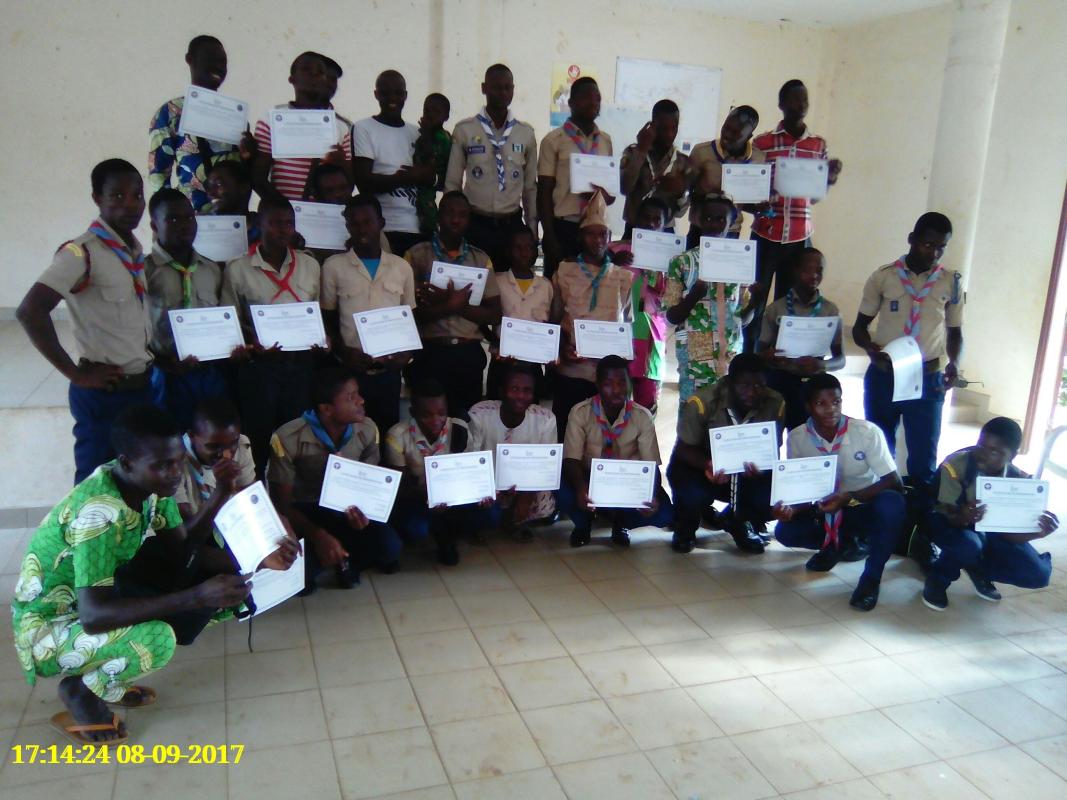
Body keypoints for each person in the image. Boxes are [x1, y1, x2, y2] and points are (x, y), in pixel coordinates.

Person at [11, 405, 297, 743]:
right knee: (158, 639)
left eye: (177, 461)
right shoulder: (99, 515)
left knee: (221, 597)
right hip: (48, 629)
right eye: (162, 465)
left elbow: (183, 550)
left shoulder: (147, 488)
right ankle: (81, 691)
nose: (174, 473)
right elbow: (93, 616)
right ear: (127, 462)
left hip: (94, 596)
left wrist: (257, 556)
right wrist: (196, 596)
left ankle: (106, 678)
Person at [17, 159, 161, 482]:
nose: (131, 205)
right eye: (117, 196)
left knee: (136, 479)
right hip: (104, 393)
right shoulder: (81, 253)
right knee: (96, 483)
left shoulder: (133, 253)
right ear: (97, 198)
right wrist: (75, 374)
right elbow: (29, 311)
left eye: (137, 195)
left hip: (141, 386)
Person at [773, 373, 906, 612]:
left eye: (836, 402)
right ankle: (838, 546)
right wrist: (790, 508)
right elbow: (799, 486)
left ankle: (871, 579)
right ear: (808, 407)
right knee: (786, 532)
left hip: (860, 505)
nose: (830, 409)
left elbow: (894, 481)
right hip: (824, 509)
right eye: (820, 403)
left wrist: (850, 497)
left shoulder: (866, 433)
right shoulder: (798, 438)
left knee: (892, 504)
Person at [852, 212, 961, 489]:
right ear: (912, 240)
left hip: (928, 377)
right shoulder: (883, 277)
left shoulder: (951, 282)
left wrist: (955, 363)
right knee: (880, 449)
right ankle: (882, 514)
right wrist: (869, 349)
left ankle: (918, 521)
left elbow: (956, 331)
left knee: (923, 457)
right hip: (886, 373)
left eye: (941, 247)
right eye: (927, 244)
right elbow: (859, 327)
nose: (934, 252)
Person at [269, 369, 400, 591]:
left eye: (358, 393)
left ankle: (346, 559)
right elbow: (282, 505)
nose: (361, 400)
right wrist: (318, 535)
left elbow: (369, 486)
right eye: (350, 397)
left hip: (348, 509)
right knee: (301, 577)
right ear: (326, 409)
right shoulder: (287, 437)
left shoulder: (367, 429)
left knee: (390, 548)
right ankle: (324, 554)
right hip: (307, 512)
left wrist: (364, 512)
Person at [220, 195, 321, 474]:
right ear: (258, 224)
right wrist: (250, 343)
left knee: (296, 437)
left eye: (289, 223)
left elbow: (318, 314)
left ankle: (291, 501)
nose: (283, 230)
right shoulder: (237, 268)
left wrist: (322, 340)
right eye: (275, 223)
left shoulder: (310, 266)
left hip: (299, 365)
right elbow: (231, 321)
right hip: (259, 368)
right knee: (259, 438)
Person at [922, 417, 1056, 611]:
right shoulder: (956, 465)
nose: (983, 454)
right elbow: (947, 515)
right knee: (969, 544)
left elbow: (1010, 535)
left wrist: (1037, 532)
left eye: (994, 451)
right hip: (949, 523)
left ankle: (978, 569)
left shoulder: (1019, 482)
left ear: (1012, 456)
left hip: (989, 532)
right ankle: (938, 580)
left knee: (1039, 574)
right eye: (981, 445)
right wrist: (964, 516)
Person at [749, 80, 843, 350]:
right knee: (754, 299)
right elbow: (754, 186)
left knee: (788, 304)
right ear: (780, 104)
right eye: (793, 100)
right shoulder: (763, 142)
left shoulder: (817, 145)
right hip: (765, 233)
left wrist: (830, 179)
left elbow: (814, 196)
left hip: (799, 236)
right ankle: (750, 359)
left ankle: (781, 359)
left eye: (804, 100)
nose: (799, 105)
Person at [667, 354, 784, 554]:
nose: (752, 392)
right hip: (703, 466)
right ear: (730, 383)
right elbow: (683, 449)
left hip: (746, 470)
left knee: (775, 493)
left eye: (759, 386)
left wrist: (760, 469)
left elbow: (772, 448)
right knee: (688, 488)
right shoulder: (703, 402)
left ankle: (737, 521)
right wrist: (708, 464)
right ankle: (685, 526)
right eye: (745, 385)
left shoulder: (776, 403)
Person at [321, 194, 417, 438]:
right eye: (355, 223)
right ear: (347, 227)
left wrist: (405, 356)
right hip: (351, 372)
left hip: (389, 372)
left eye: (368, 222)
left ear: (381, 223)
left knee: (387, 435)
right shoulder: (333, 267)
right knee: (352, 438)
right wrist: (343, 352)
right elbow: (328, 319)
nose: (362, 229)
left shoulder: (401, 268)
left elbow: (410, 319)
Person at [560, 356, 674, 548]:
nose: (616, 390)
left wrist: (651, 494)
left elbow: (651, 464)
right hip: (589, 479)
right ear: (597, 385)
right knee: (561, 491)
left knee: (663, 514)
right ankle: (584, 523)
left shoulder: (642, 416)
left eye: (622, 382)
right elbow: (571, 459)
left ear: (630, 383)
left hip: (626, 482)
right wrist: (581, 488)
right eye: (608, 384)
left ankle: (621, 522)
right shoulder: (580, 412)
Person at [406, 191, 501, 419]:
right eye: (449, 213)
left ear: (469, 220)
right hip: (430, 353)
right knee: (429, 422)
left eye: (462, 215)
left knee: (464, 423)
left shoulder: (480, 259)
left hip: (467, 355)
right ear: (438, 217)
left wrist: (458, 306)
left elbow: (495, 314)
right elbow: (408, 316)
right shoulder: (416, 256)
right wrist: (450, 306)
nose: (455, 220)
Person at [663, 196, 762, 404]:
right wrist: (694, 296)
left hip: (730, 356)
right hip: (694, 358)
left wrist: (755, 300)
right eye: (708, 218)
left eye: (720, 219)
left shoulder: (741, 263)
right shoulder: (682, 262)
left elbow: (742, 319)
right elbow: (670, 317)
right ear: (699, 221)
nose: (714, 224)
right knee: (692, 416)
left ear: (731, 223)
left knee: (725, 416)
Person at [550, 191, 633, 438]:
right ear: (580, 236)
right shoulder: (565, 271)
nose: (597, 240)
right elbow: (554, 320)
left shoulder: (623, 278)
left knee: (601, 436)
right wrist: (563, 347)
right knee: (567, 430)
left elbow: (627, 327)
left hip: (608, 378)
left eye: (603, 234)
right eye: (590, 233)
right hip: (572, 370)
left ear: (609, 238)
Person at [144, 189, 228, 429]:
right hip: (164, 372)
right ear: (154, 225)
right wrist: (160, 362)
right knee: (168, 435)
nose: (184, 225)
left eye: (189, 218)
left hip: (209, 372)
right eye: (172, 219)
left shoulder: (211, 269)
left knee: (210, 435)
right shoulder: (144, 271)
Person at [384, 379, 490, 566]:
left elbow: (468, 472)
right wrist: (427, 497)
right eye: (427, 415)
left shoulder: (459, 430)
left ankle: (448, 540)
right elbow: (399, 487)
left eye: (442, 413)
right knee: (415, 528)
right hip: (418, 497)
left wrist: (479, 492)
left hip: (453, 497)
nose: (436, 421)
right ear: (412, 413)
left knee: (490, 513)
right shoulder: (397, 435)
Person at [445, 64, 538, 269]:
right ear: (484, 88)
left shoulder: (525, 133)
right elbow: (452, 184)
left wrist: (532, 230)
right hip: (476, 224)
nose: (503, 93)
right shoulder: (465, 130)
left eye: (508, 87)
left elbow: (530, 187)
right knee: (474, 289)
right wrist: (453, 227)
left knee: (508, 290)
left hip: (511, 225)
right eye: (496, 87)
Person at [148, 35, 250, 211]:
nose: (218, 66)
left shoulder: (235, 115)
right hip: (189, 222)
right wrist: (168, 218)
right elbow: (158, 176)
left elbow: (243, 176)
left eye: (223, 61)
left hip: (233, 218)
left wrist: (249, 155)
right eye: (210, 58)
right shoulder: (171, 112)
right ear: (190, 60)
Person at [468, 362, 559, 541]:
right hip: (488, 485)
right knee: (487, 512)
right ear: (502, 391)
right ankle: (504, 520)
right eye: (514, 389)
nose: (521, 396)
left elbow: (545, 467)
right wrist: (491, 489)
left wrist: (525, 496)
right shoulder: (479, 414)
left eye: (527, 390)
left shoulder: (545, 419)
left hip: (524, 485)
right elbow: (471, 462)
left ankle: (513, 518)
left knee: (545, 506)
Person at [757, 247, 844, 430]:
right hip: (781, 381)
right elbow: (760, 352)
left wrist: (822, 365)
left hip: (813, 385)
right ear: (795, 271)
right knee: (774, 434)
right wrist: (769, 356)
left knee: (806, 438)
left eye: (818, 270)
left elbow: (840, 359)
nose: (813, 275)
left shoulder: (830, 311)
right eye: (807, 270)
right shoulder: (776, 309)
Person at [353, 70, 436, 256]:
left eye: (398, 93)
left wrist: (420, 174)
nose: (392, 98)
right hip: (383, 229)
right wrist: (408, 177)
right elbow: (364, 181)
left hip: (419, 228)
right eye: (385, 93)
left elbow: (433, 178)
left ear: (405, 95)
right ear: (376, 94)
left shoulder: (417, 132)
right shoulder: (364, 128)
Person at [538, 76, 614, 278]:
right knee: (558, 289)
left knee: (591, 290)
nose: (593, 103)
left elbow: (611, 194)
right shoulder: (554, 140)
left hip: (595, 229)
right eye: (586, 97)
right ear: (571, 103)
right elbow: (544, 192)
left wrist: (606, 195)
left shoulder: (606, 141)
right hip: (565, 227)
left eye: (597, 98)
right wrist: (549, 236)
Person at [253, 52, 352, 202]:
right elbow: (257, 177)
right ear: (292, 79)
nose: (314, 74)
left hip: (327, 217)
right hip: (283, 220)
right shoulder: (271, 120)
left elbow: (350, 183)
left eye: (320, 72)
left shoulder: (341, 126)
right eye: (306, 69)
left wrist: (342, 163)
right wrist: (283, 210)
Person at [608, 197, 671, 414]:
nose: (651, 224)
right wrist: (611, 264)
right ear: (636, 220)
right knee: (615, 404)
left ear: (664, 224)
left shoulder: (672, 258)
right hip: (620, 335)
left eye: (657, 220)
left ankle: (642, 447)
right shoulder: (614, 250)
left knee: (646, 407)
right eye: (646, 218)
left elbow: (672, 297)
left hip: (652, 339)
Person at [486, 227, 554, 399]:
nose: (524, 252)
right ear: (508, 251)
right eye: (518, 247)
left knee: (531, 415)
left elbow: (551, 323)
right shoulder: (497, 281)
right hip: (502, 363)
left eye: (529, 247)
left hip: (533, 365)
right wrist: (495, 342)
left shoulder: (546, 286)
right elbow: (482, 317)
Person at [686, 105, 764, 247]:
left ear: (749, 136)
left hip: (731, 231)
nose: (727, 135)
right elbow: (688, 190)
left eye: (736, 132)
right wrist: (710, 199)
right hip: (700, 228)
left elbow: (747, 203)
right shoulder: (701, 152)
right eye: (726, 128)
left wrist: (760, 207)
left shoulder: (758, 160)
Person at [174, 396, 256, 530]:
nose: (226, 454)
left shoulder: (241, 444)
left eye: (232, 443)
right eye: (213, 446)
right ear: (192, 436)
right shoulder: (175, 464)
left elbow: (252, 499)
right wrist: (221, 492)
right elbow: (186, 534)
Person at [618, 99, 689, 237]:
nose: (669, 134)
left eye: (674, 128)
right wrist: (642, 150)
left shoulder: (682, 162)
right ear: (652, 125)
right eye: (664, 128)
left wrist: (680, 191)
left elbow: (680, 213)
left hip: (665, 229)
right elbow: (624, 188)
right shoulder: (633, 153)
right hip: (634, 228)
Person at [413, 92, 452, 236]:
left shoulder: (443, 137)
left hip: (433, 182)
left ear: (446, 116)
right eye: (426, 111)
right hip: (419, 182)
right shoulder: (423, 135)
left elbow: (432, 156)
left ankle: (430, 231)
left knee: (427, 208)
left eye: (436, 112)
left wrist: (426, 134)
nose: (430, 115)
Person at [202, 160, 261, 250]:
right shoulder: (202, 232)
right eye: (209, 187)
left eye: (219, 184)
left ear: (243, 187)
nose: (210, 193)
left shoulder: (264, 228)